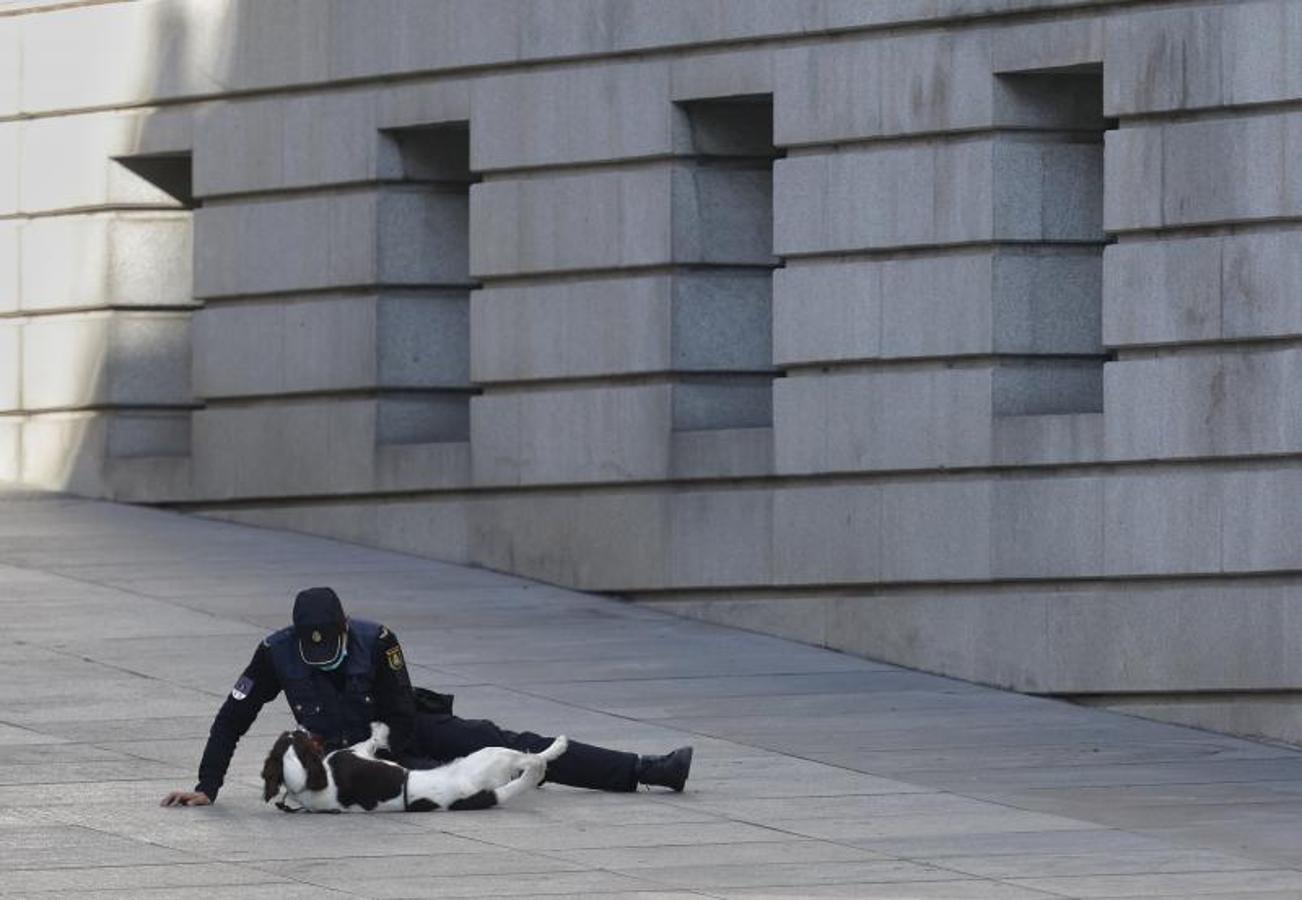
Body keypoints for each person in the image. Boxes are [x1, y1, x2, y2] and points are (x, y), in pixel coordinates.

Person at [160, 586, 692, 807]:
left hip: (402, 730)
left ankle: (646, 769)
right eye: (311, 650)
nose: (321, 656)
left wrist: (405, 764)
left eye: (332, 647)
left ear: (345, 627)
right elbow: (232, 718)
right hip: (345, 757)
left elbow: (399, 713)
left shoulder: (379, 640)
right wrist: (207, 785)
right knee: (470, 775)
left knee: (503, 743)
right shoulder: (275, 652)